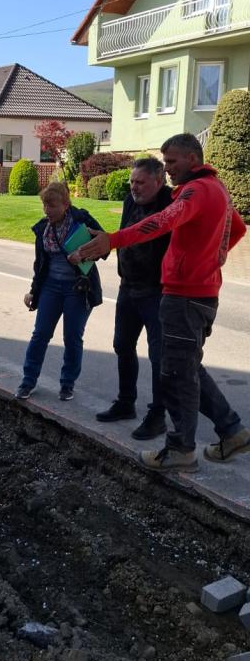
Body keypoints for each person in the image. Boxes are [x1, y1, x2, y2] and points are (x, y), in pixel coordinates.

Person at [77, 134, 249, 471]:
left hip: (184, 296)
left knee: (175, 374)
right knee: (187, 368)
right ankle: (232, 432)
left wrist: (114, 240)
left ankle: (181, 450)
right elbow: (239, 228)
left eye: (171, 162)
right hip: (197, 291)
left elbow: (162, 221)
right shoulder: (217, 188)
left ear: (192, 159)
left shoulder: (195, 190)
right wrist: (209, 258)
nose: (167, 168)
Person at [96, 157, 172, 440]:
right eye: (132, 181)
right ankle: (126, 402)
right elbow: (125, 235)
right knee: (122, 345)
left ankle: (158, 415)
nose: (134, 187)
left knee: (159, 356)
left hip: (157, 291)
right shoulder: (130, 201)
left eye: (140, 182)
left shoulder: (171, 202)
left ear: (158, 180)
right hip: (128, 287)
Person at [16, 180, 105, 402]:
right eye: (45, 205)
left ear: (66, 204)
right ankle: (28, 381)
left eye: (52, 205)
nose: (47, 210)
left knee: (72, 337)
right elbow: (40, 265)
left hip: (77, 288)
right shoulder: (43, 228)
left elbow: (104, 248)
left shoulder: (81, 220)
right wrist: (33, 291)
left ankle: (67, 384)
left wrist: (82, 254)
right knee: (40, 334)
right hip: (50, 287)